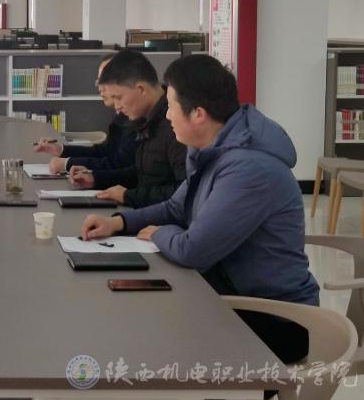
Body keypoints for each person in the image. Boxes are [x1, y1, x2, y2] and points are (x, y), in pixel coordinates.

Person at [80, 54, 319, 364]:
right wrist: (119, 223)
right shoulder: (209, 149)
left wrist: (161, 234)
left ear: (198, 114)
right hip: (228, 295)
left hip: (277, 319)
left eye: (172, 107)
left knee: (149, 338)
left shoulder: (248, 169)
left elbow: (192, 250)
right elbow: (176, 207)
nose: (167, 116)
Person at [70, 50, 186, 208]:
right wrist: (96, 178)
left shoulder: (174, 125)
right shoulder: (144, 120)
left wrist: (129, 196)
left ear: (141, 89)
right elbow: (142, 174)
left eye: (118, 98)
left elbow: (182, 192)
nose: (117, 106)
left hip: (156, 217)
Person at [34, 53, 136, 175]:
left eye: (105, 81)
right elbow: (105, 152)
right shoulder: (122, 116)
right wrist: (61, 150)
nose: (100, 88)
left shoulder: (137, 118)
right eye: (99, 81)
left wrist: (67, 163)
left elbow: (118, 163)